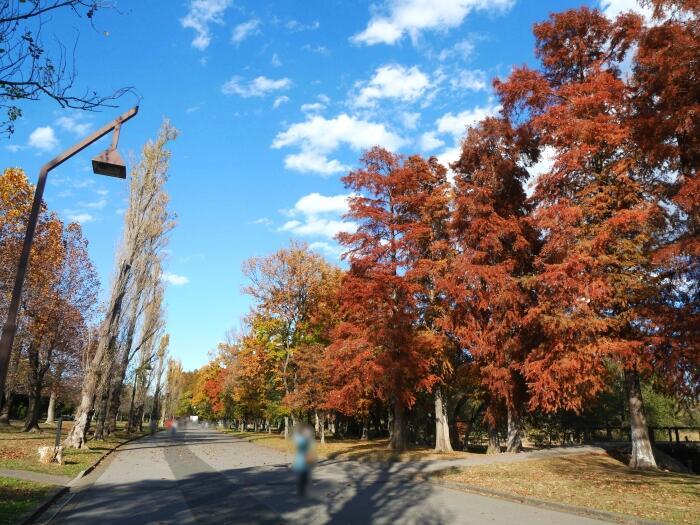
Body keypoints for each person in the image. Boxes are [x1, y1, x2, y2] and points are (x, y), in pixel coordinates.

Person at [292, 424, 315, 497]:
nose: (308, 433)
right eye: (306, 432)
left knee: (306, 477)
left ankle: (304, 490)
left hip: (308, 460)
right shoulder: (300, 439)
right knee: (301, 477)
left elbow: (312, 449)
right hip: (301, 461)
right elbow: (297, 441)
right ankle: (300, 491)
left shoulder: (310, 439)